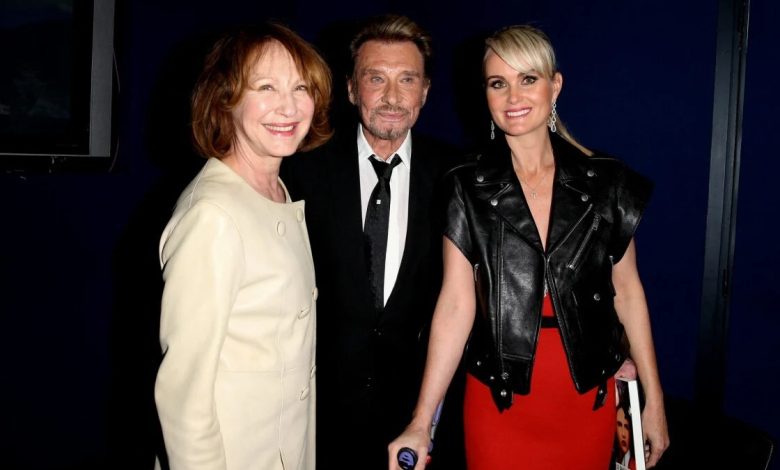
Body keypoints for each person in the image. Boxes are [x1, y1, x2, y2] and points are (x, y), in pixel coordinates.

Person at [389, 24, 669, 469]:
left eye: (528, 79)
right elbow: (456, 305)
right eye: (498, 83)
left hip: (584, 398)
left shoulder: (605, 182)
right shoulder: (466, 186)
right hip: (500, 402)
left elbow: (628, 293)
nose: (513, 96)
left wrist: (654, 399)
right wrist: (422, 420)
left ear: (554, 85)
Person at [281, 14, 460, 470]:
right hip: (316, 417)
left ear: (425, 91)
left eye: (407, 80)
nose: (392, 97)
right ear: (351, 88)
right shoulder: (301, 169)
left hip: (419, 419)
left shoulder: (457, 176)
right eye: (376, 78)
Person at [154, 22, 332, 470]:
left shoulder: (275, 192)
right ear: (224, 99)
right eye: (266, 87)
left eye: (301, 88)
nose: (288, 106)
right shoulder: (213, 215)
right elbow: (182, 395)